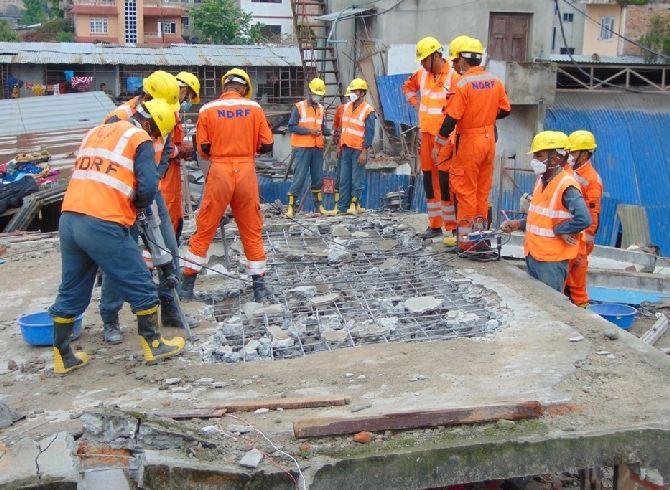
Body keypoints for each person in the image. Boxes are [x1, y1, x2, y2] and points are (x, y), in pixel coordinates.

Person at [48, 99, 184, 375]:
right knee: (140, 283)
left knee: (71, 289)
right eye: (157, 134)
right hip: (104, 222)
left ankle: (63, 357)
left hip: (70, 218)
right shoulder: (139, 138)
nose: (155, 139)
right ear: (151, 124)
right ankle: (154, 344)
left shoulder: (97, 131)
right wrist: (137, 208)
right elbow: (147, 187)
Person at [98, 71, 187, 344]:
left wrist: (155, 177)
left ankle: (170, 310)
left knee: (168, 250)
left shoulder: (169, 114)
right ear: (147, 97)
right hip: (124, 194)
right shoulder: (119, 118)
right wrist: (134, 195)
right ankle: (110, 319)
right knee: (121, 256)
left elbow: (167, 148)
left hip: (151, 188)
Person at [181, 68, 274, 302]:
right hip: (245, 171)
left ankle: (187, 287)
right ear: (244, 88)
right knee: (251, 229)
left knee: (205, 228)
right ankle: (259, 288)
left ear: (225, 87)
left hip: (219, 171)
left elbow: (202, 148)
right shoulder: (254, 108)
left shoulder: (207, 110)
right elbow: (268, 145)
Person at [436, 36, 511, 258]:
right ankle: (480, 240)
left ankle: (466, 243)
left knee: (465, 190)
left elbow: (451, 119)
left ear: (462, 60)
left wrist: (438, 144)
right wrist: (485, 116)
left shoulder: (462, 84)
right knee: (481, 191)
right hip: (489, 140)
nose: (455, 65)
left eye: (456, 61)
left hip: (469, 140)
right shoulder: (495, 81)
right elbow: (506, 110)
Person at [501, 131, 591, 292]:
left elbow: (584, 219)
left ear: (556, 158)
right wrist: (518, 224)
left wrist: (560, 230)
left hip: (551, 261)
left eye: (539, 156)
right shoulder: (542, 181)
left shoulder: (566, 185)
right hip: (534, 255)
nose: (534, 161)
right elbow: (540, 217)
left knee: (550, 309)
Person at [402, 36, 459, 242]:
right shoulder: (422, 74)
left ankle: (452, 227)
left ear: (437, 55)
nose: (424, 64)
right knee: (429, 179)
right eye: (422, 61)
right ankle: (434, 224)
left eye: (426, 59)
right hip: (426, 134)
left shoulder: (453, 75)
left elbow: (458, 108)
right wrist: (416, 103)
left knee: (445, 182)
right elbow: (407, 87)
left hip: (444, 138)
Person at [159, 71, 200, 240]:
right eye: (189, 96)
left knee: (174, 219)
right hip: (164, 174)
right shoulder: (164, 111)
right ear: (182, 90)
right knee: (165, 220)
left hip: (171, 173)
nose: (188, 102)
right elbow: (160, 147)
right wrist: (181, 150)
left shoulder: (172, 111)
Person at [564, 130, 603, 307]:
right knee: (567, 280)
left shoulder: (591, 179)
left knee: (577, 285)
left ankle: (582, 318)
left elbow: (592, 212)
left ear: (585, 154)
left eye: (573, 152)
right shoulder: (571, 172)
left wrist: (586, 238)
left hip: (581, 238)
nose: (569, 156)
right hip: (572, 234)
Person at [286, 77, 331, 217]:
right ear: (310, 92)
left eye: (320, 94)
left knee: (317, 177)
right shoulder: (299, 107)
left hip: (317, 147)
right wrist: (309, 132)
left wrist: (331, 132)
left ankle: (319, 207)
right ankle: (291, 208)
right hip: (302, 148)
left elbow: (322, 128)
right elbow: (291, 126)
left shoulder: (321, 109)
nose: (317, 96)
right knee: (299, 177)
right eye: (315, 93)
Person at [337, 78, 376, 215]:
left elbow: (370, 133)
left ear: (362, 93)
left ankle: (354, 204)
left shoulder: (368, 110)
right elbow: (343, 128)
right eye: (352, 90)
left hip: (358, 150)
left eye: (355, 90)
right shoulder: (347, 106)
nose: (352, 93)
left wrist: (364, 151)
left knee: (356, 179)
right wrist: (339, 145)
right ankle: (342, 207)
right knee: (344, 179)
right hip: (346, 147)